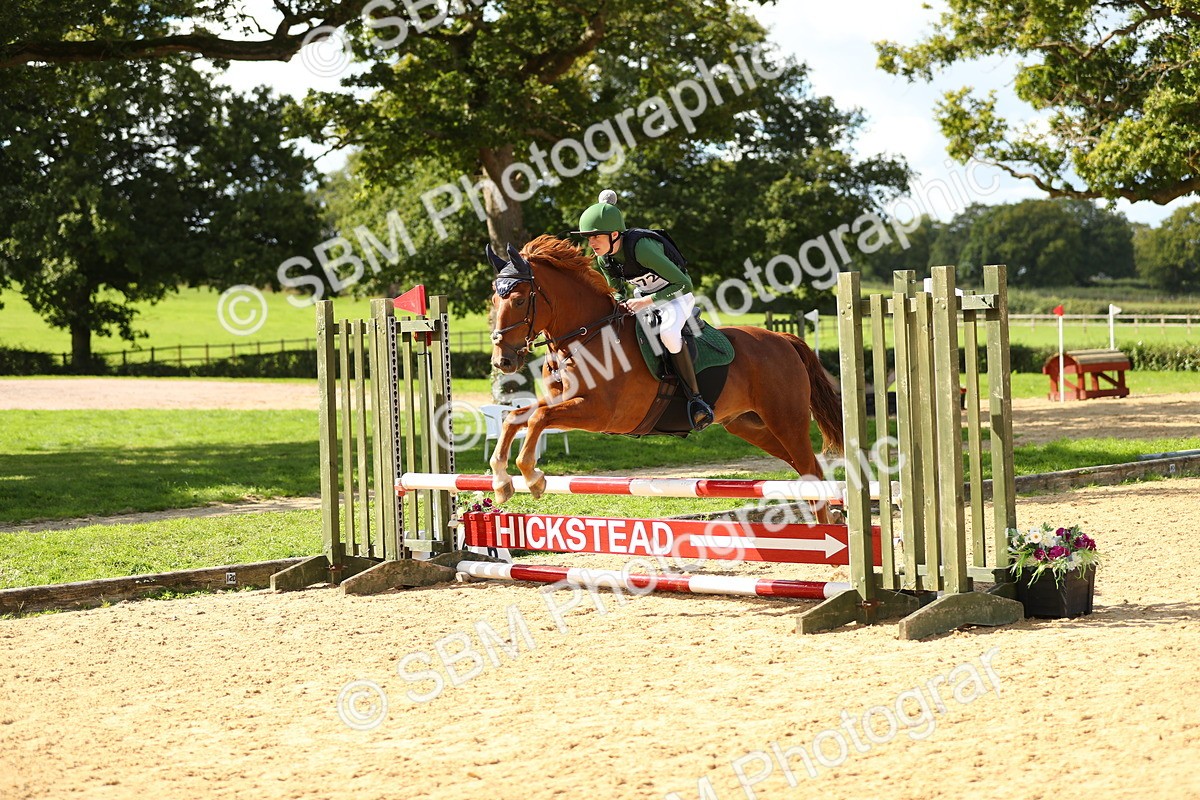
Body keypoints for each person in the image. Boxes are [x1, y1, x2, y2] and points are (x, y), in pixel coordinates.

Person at [572, 190, 715, 430]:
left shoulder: (642, 249)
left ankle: (696, 400)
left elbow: (684, 284)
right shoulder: (604, 259)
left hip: (676, 295)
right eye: (588, 237)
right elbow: (616, 289)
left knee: (669, 334)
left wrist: (645, 302)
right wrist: (619, 301)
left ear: (615, 234)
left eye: (596, 236)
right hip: (646, 298)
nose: (591, 243)